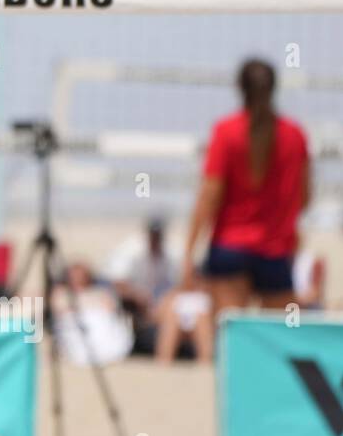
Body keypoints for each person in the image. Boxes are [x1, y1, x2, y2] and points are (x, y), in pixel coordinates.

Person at [182, 59, 312, 315]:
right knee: (277, 343)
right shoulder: (295, 135)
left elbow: (209, 196)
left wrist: (189, 252)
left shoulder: (226, 131)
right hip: (275, 249)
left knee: (231, 338)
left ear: (240, 88)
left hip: (230, 246)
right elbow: (304, 198)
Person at [105, 217, 213, 363]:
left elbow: (186, 281)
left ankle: (199, 362)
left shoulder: (172, 253)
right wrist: (139, 297)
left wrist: (167, 299)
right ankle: (166, 360)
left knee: (186, 311)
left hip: (166, 305)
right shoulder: (131, 250)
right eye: (153, 235)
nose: (155, 239)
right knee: (174, 312)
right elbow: (118, 283)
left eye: (158, 235)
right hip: (140, 308)